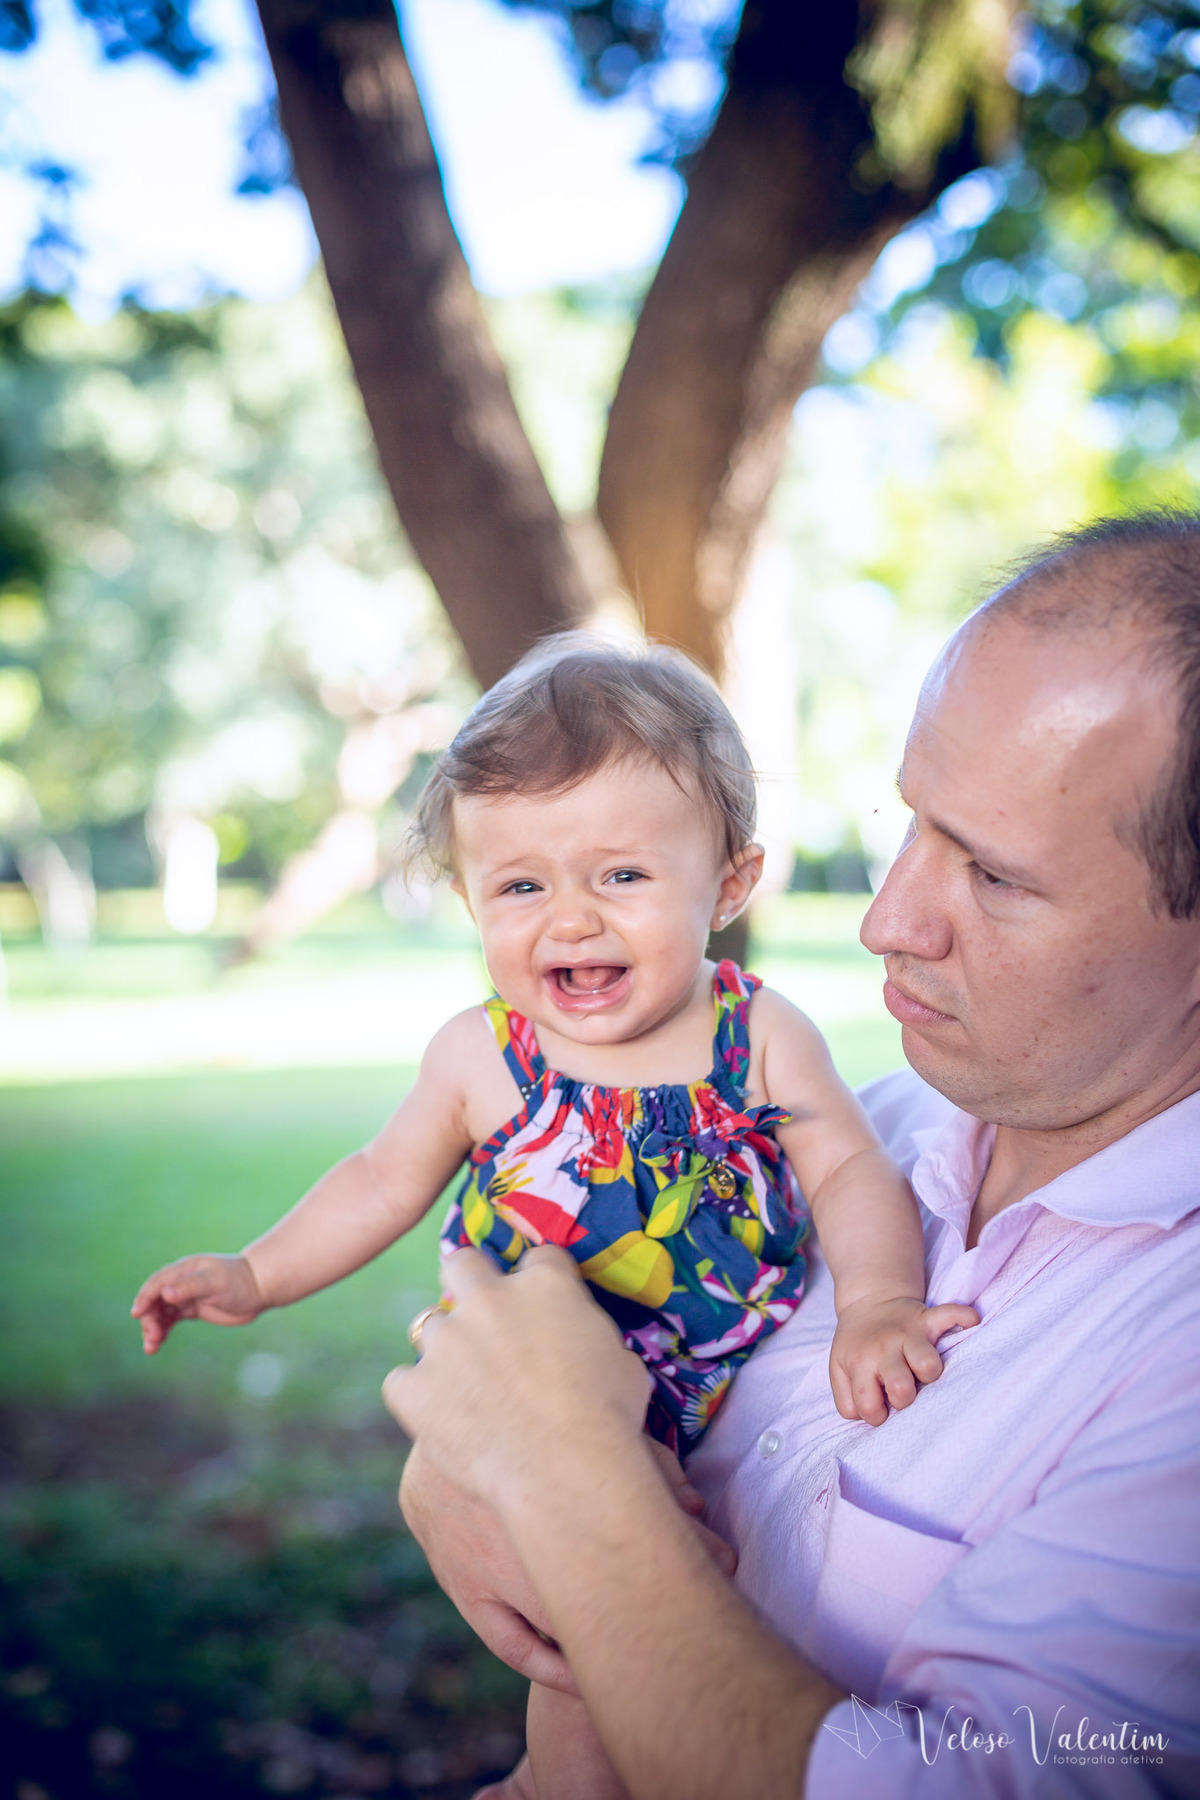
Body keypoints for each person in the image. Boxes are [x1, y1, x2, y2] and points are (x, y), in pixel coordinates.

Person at [387, 511, 1200, 1799]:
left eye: (991, 876)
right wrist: (463, 1461)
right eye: (915, 823)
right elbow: (567, 1349)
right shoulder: (858, 1129)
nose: (889, 919)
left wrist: (572, 1491)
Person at [130, 637, 977, 1796]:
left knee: (690, 1604)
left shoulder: (758, 1036)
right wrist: (257, 1273)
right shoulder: (483, 1054)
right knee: (585, 1644)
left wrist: (878, 1304)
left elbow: (848, 1172)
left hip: (721, 1369)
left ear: (729, 882)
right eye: (521, 886)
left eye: (620, 876)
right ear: (471, 898)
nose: (569, 920)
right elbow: (382, 1178)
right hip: (552, 1384)